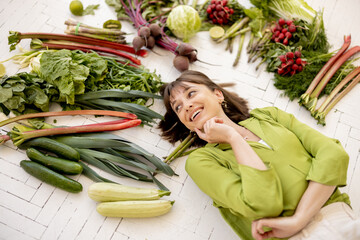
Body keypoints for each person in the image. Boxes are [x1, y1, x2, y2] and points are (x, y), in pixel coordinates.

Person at [158, 70, 360, 240]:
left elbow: (334, 155)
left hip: (341, 218)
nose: (186, 105)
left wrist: (298, 219)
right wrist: (232, 138)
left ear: (218, 95)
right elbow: (264, 205)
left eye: (191, 94)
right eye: (178, 107)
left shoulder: (269, 116)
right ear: (186, 124)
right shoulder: (201, 162)